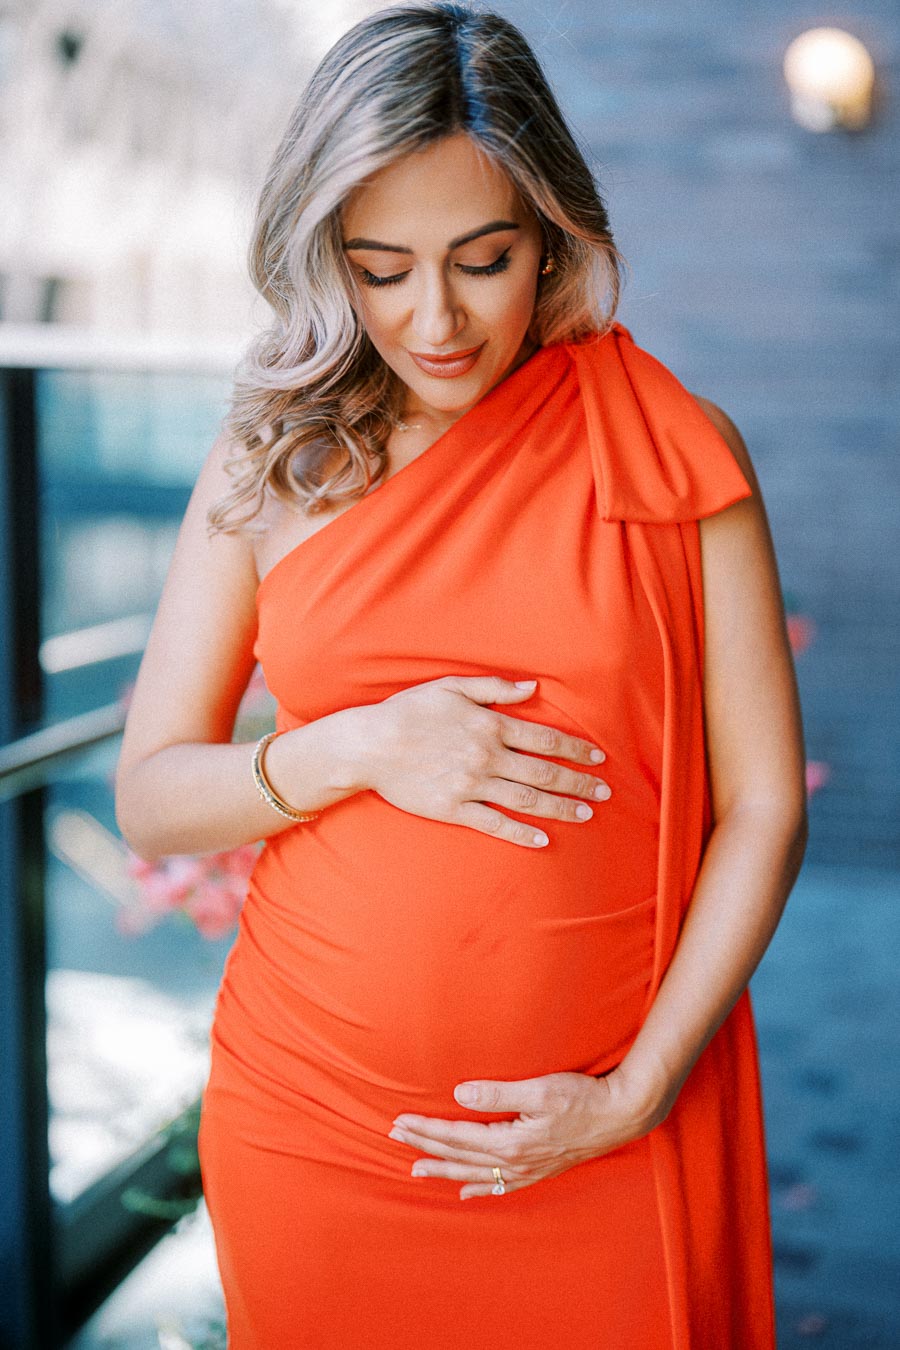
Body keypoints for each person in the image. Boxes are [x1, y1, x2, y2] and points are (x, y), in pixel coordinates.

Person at [114, 3, 808, 1346]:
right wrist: (354, 747)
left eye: (481, 260)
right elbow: (152, 794)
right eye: (381, 269)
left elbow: (765, 804)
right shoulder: (278, 458)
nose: (434, 318)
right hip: (313, 1126)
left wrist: (640, 1089)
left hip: (602, 1130)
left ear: (552, 233)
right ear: (327, 259)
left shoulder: (670, 446)